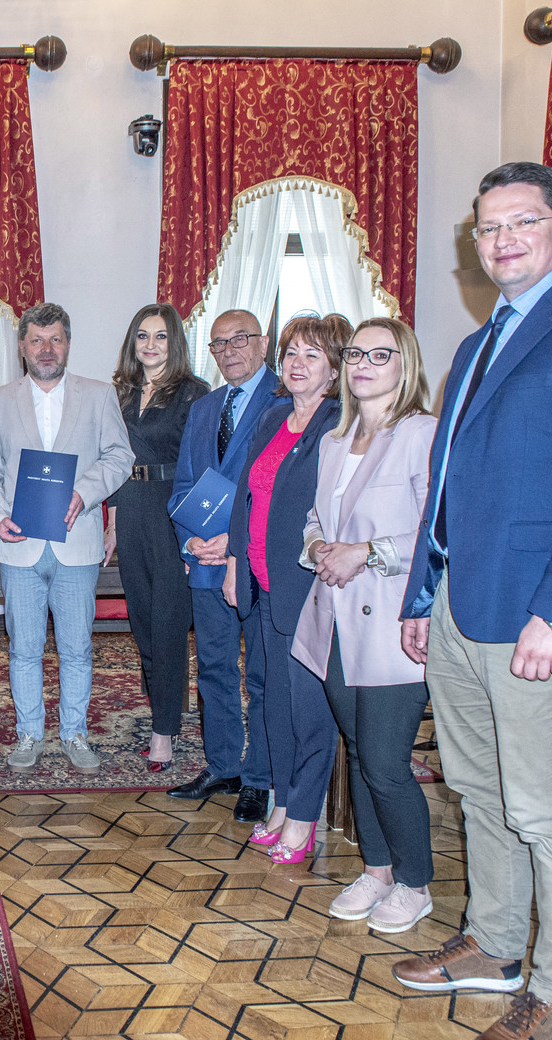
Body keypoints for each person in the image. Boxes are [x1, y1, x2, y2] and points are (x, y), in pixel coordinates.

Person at [390, 162, 552, 1040]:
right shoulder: (476, 344)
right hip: (464, 606)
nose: (503, 240)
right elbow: (447, 490)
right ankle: (496, 946)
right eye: (489, 227)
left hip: (541, 617)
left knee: (550, 810)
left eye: (524, 222)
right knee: (479, 789)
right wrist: (424, 593)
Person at [289, 319, 436, 933]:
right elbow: (314, 520)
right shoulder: (334, 440)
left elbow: (436, 532)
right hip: (334, 619)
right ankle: (377, 870)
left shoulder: (422, 433)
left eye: (381, 354)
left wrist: (366, 553)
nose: (364, 364)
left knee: (385, 762)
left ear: (405, 364)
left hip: (394, 623)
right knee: (356, 752)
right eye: (356, 354)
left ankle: (415, 882)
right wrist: (318, 547)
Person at [0, 302, 133, 774]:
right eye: (37, 340)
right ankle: (29, 733)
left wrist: (84, 493)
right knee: (23, 649)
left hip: (77, 543)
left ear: (68, 344)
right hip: (19, 545)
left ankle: (74, 733)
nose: (46, 349)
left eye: (55, 340)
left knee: (77, 649)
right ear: (22, 347)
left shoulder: (99, 395)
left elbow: (120, 457)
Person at [224, 313, 346, 864]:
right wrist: (234, 561)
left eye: (312, 355)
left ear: (335, 369)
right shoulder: (275, 415)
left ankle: (303, 817)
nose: (297, 363)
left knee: (307, 708)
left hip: (307, 586)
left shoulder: (338, 425)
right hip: (262, 582)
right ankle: (280, 803)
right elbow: (244, 496)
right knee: (273, 701)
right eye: (292, 352)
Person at [165, 310, 280, 821]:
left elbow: (280, 490)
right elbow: (184, 486)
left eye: (240, 339)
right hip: (206, 561)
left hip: (257, 562)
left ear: (263, 343)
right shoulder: (204, 408)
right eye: (219, 344)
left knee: (261, 674)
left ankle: (259, 777)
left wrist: (234, 543)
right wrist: (192, 542)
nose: (229, 351)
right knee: (212, 667)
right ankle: (223, 765)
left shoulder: (286, 400)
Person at [101, 303, 208, 773]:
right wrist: (111, 522)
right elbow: (112, 459)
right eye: (142, 335)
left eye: (160, 336)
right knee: (143, 622)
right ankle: (163, 708)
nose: (150, 344)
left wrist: (194, 534)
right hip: (131, 508)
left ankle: (164, 729)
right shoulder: (119, 393)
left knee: (168, 625)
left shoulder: (194, 394)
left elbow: (203, 467)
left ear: (174, 342)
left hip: (173, 512)